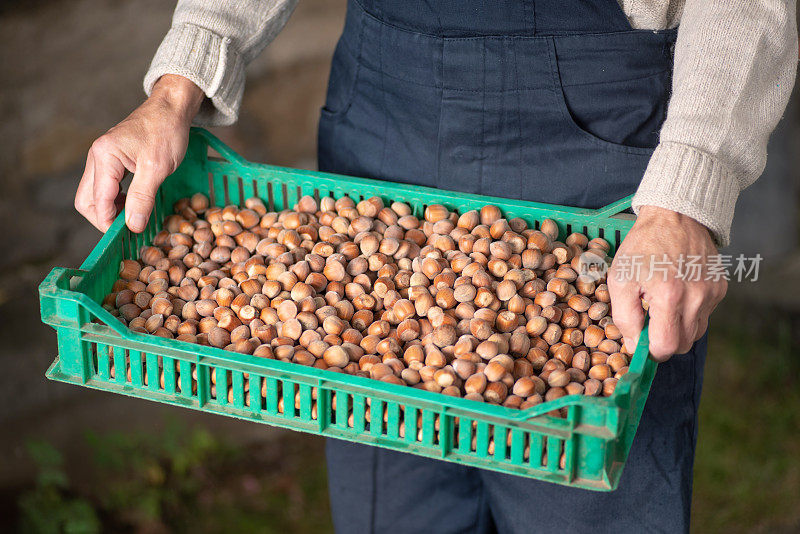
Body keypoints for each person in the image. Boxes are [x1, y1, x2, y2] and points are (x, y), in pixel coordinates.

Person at [73, 1, 797, 532]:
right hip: (392, 85)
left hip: (594, 110)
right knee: (394, 503)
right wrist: (175, 87)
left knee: (590, 494)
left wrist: (688, 193)